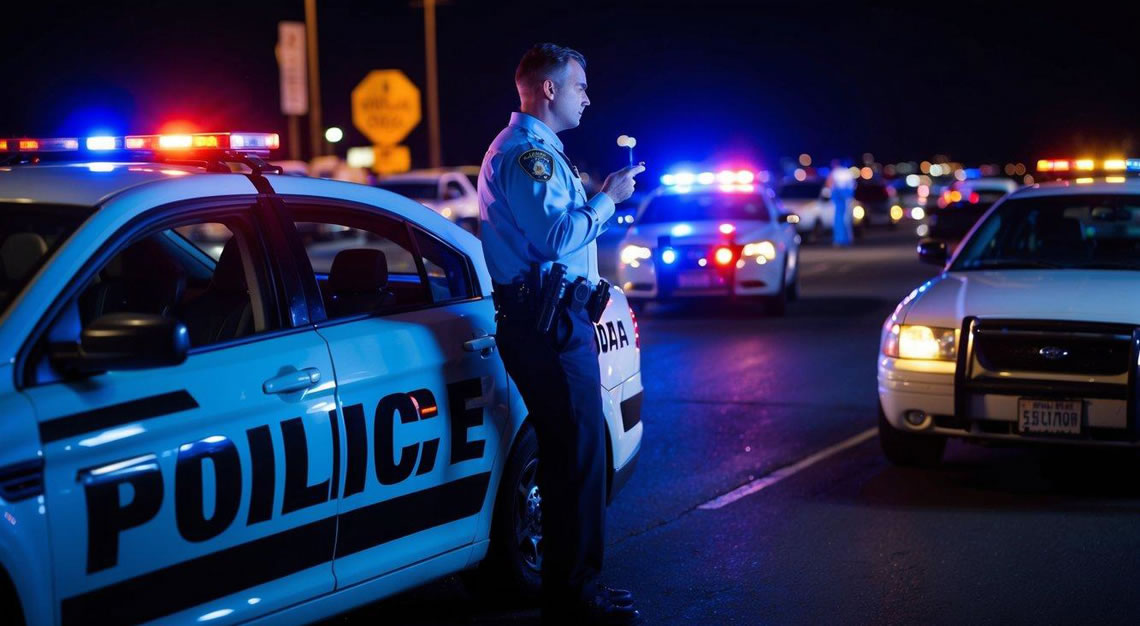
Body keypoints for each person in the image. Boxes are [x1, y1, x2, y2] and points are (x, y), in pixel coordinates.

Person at [478, 43, 644, 624]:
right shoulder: (529, 156)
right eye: (580, 86)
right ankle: (575, 597)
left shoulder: (540, 151)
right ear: (549, 89)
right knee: (576, 456)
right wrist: (607, 200)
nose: (587, 98)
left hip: (554, 318)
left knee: (574, 454)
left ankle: (574, 588)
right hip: (547, 323)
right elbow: (553, 238)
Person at [827, 158, 855, 247]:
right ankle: (847, 239)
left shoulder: (835, 172)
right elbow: (852, 185)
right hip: (846, 197)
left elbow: (829, 183)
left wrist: (833, 191)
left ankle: (839, 240)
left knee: (839, 219)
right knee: (846, 218)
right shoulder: (847, 172)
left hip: (840, 197)